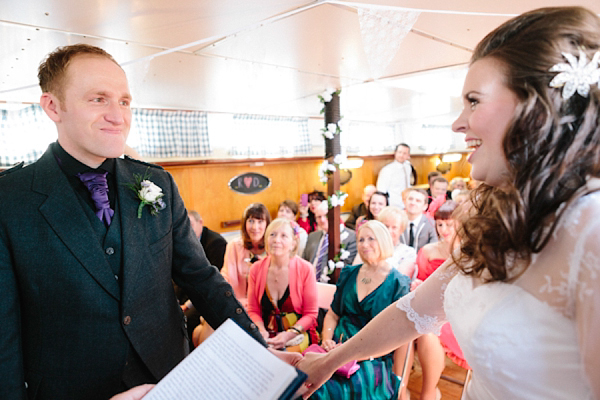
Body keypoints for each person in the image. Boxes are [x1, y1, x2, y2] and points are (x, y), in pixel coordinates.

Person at [299, 7, 600, 399]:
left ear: (537, 111)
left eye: (474, 101)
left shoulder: (590, 233)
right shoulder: (501, 216)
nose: (458, 123)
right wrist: (330, 360)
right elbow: (414, 311)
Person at [0, 44, 265, 400]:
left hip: (171, 381)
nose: (117, 115)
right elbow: (4, 334)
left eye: (124, 101)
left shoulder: (158, 184)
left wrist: (260, 355)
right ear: (53, 106)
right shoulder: (11, 199)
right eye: (99, 99)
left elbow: (202, 280)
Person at [309, 220, 411, 399]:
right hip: (336, 346)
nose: (365, 244)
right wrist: (326, 339)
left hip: (372, 355)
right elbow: (333, 314)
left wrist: (399, 378)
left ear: (383, 241)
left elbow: (399, 337)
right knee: (306, 381)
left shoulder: (398, 283)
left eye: (371, 239)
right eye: (361, 240)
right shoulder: (349, 273)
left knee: (334, 390)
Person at [247, 218, 319, 353]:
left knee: (282, 360)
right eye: (272, 235)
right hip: (266, 334)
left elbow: (311, 314)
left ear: (293, 243)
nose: (276, 240)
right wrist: (261, 331)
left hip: (297, 334)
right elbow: (253, 309)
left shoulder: (305, 269)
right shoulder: (255, 269)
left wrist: (288, 335)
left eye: (283, 236)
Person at [221, 202, 271, 308]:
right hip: (238, 304)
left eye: (260, 221)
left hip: (265, 305)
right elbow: (226, 277)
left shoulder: (273, 247)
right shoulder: (234, 246)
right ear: (245, 223)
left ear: (267, 224)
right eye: (251, 221)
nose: (255, 227)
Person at [302, 201, 357, 283]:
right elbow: (304, 262)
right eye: (319, 217)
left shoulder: (351, 237)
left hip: (333, 284)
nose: (323, 220)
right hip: (308, 282)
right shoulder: (312, 237)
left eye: (326, 215)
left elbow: (347, 268)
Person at [377, 206, 417, 280]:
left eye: (394, 227)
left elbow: (399, 281)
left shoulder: (408, 252)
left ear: (401, 229)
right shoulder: (370, 247)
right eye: (386, 226)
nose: (389, 231)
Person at [400, 189, 437, 253]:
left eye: (418, 201)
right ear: (405, 202)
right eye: (410, 199)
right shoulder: (397, 221)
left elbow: (433, 248)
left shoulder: (431, 224)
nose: (413, 203)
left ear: (425, 206)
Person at [376, 143, 412, 209]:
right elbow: (381, 191)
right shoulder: (387, 170)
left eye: (404, 153)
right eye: (399, 152)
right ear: (395, 153)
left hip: (407, 204)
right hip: (394, 205)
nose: (401, 155)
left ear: (408, 155)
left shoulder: (408, 167)